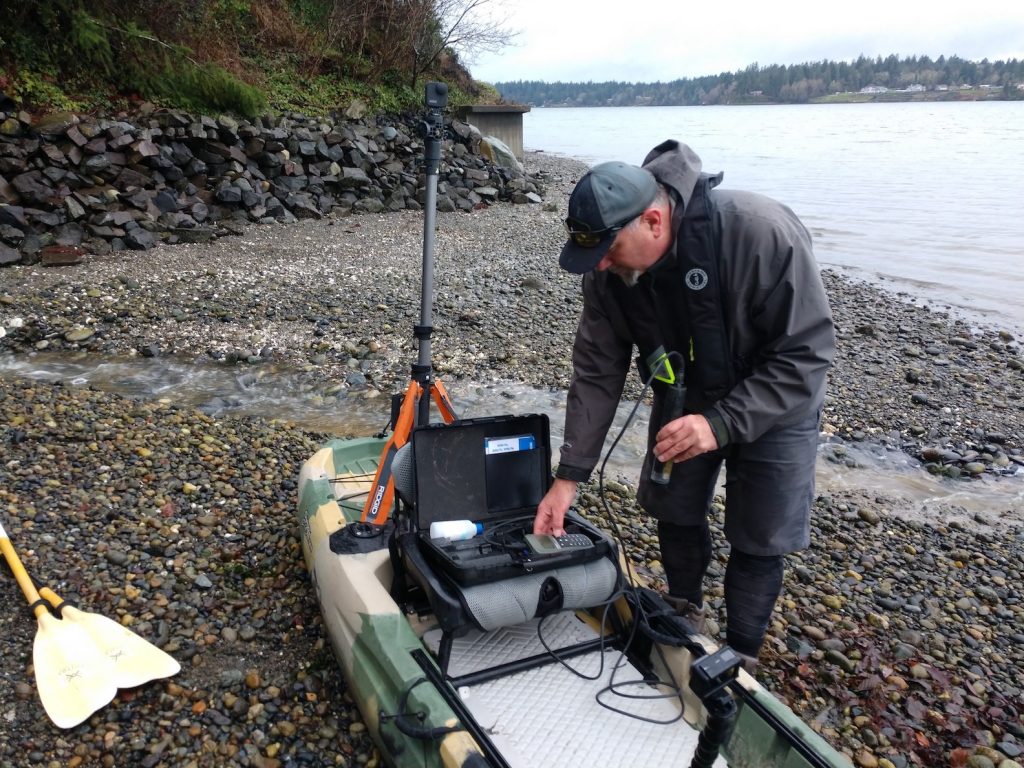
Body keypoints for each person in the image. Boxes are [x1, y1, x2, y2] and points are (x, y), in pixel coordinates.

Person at [533, 140, 835, 670]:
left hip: (775, 393)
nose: (600, 264)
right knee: (672, 507)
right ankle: (683, 613)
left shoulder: (760, 232)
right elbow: (597, 371)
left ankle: (741, 654)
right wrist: (570, 475)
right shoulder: (608, 272)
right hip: (686, 390)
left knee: (760, 535)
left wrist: (721, 423)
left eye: (608, 249)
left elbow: (805, 355)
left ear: (653, 221)